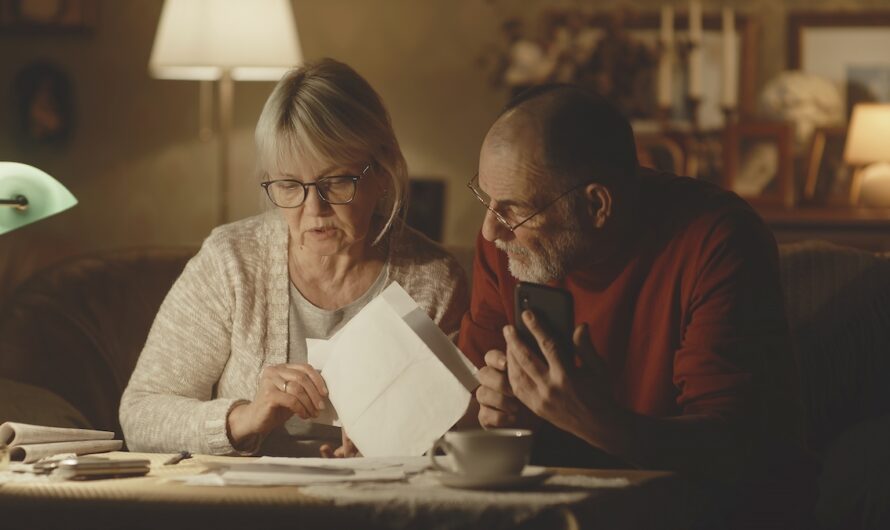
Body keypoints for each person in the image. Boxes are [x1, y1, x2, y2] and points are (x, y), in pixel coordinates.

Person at [458, 84, 814, 527]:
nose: (490, 230)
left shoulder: (716, 239)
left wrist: (593, 421)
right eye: (484, 197)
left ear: (596, 204)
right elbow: (468, 392)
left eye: (512, 210)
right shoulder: (504, 246)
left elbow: (733, 449)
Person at [120, 59, 468, 458]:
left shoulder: (435, 282)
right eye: (289, 185)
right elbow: (140, 415)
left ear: (382, 172)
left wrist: (397, 448)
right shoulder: (231, 262)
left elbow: (458, 438)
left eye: (336, 181)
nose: (313, 208)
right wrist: (245, 418)